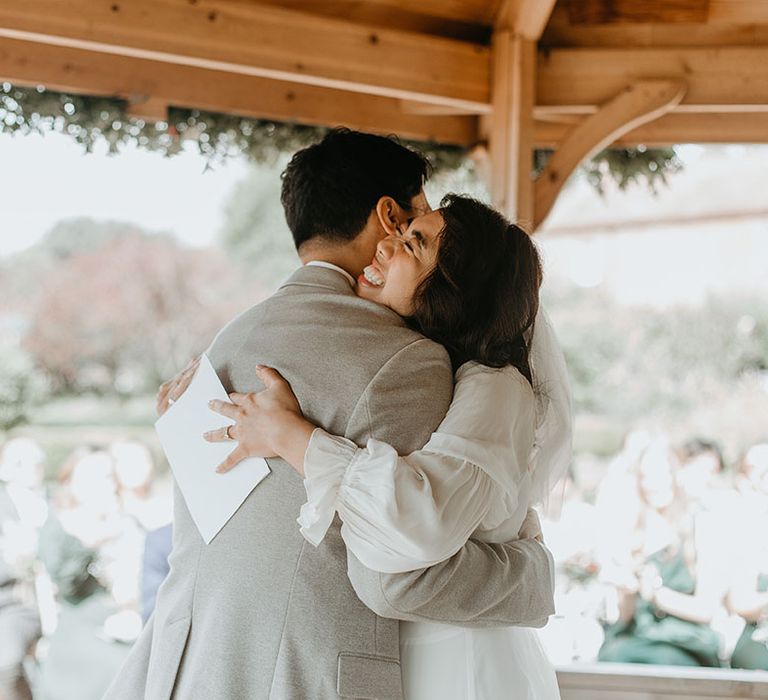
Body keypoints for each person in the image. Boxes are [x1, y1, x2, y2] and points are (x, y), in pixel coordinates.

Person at [105, 129, 556, 700]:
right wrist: (533, 577)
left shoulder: (225, 343)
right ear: (389, 216)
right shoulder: (409, 360)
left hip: (184, 665)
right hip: (302, 676)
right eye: (418, 218)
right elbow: (401, 580)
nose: (409, 238)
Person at [197, 195, 571, 698]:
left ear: (455, 288)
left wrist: (293, 437)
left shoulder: (495, 387)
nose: (385, 246)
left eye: (411, 245)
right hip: (415, 657)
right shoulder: (448, 373)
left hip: (460, 667)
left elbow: (414, 529)